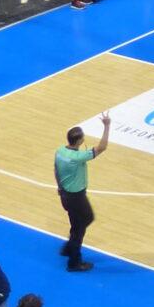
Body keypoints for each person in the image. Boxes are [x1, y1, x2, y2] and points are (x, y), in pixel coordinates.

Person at [55, 115, 110, 272]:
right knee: (83, 223)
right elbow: (102, 147)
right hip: (76, 197)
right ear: (79, 141)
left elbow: (55, 170)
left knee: (76, 223)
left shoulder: (60, 152)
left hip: (65, 194)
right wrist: (106, 126)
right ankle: (74, 262)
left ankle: (68, 248)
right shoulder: (78, 157)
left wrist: (60, 188)